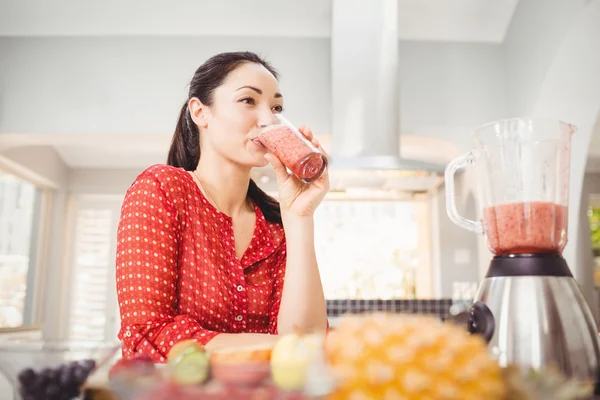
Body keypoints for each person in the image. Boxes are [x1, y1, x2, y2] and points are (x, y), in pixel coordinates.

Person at [115, 52, 329, 362]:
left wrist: (299, 218)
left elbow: (306, 344)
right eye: (248, 101)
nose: (269, 119)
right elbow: (147, 335)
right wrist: (283, 348)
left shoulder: (276, 225)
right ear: (200, 112)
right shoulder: (162, 189)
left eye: (277, 107)